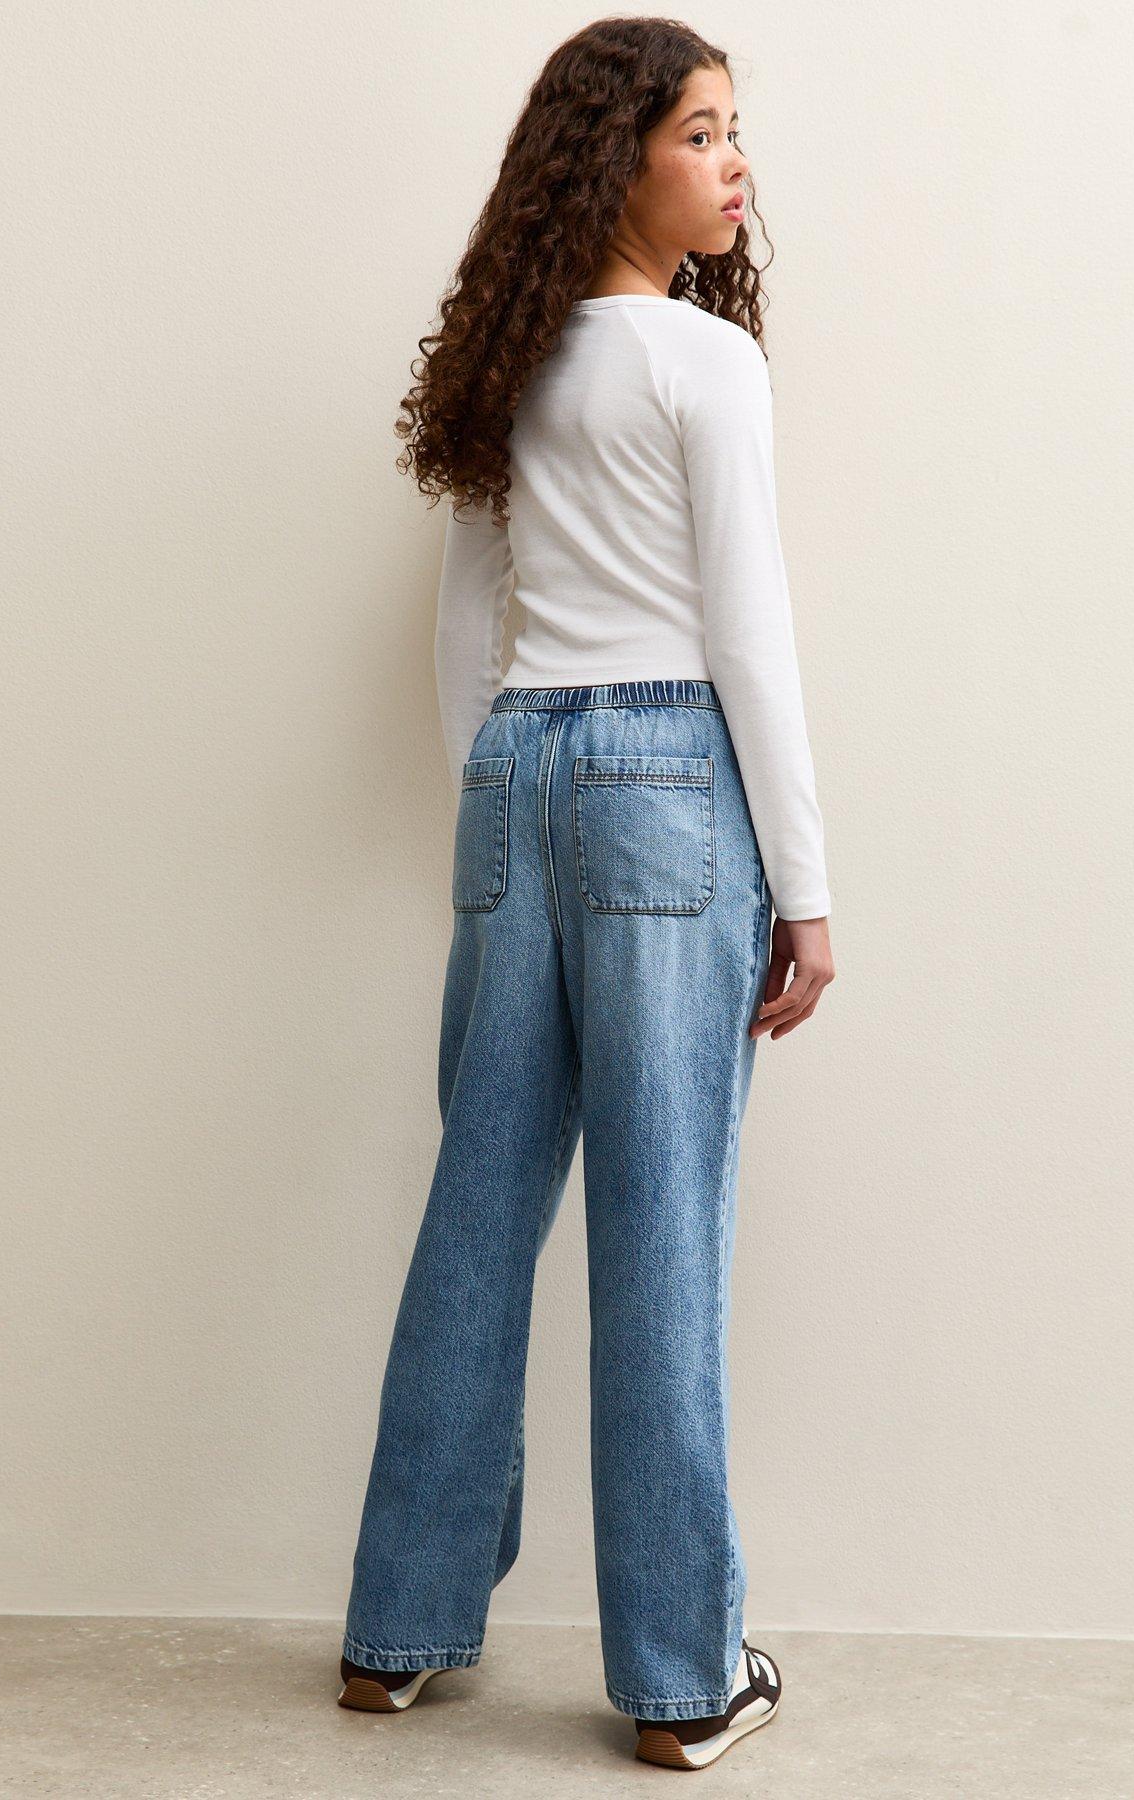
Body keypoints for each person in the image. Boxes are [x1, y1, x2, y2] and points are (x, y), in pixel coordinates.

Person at [337, 16, 834, 1772]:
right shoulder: (704, 361)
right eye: (699, 132)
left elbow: (470, 625)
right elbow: (748, 637)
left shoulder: (509, 357)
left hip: (516, 773)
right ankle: (683, 1681)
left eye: (732, 130)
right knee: (661, 1221)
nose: (733, 162)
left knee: (479, 1203)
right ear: (615, 158)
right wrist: (805, 884)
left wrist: (494, 812)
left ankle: (397, 1634)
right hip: (667, 784)